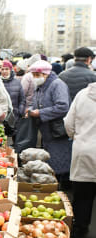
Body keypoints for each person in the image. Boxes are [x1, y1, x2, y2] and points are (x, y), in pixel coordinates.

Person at [26, 60, 72, 188]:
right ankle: (54, 185)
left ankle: (60, 187)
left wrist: (40, 113)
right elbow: (38, 102)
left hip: (56, 131)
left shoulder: (57, 85)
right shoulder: (41, 86)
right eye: (33, 75)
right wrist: (30, 109)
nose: (35, 78)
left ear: (46, 74)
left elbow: (63, 106)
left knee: (58, 160)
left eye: (37, 75)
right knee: (51, 159)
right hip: (47, 132)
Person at [64, 82, 96, 238]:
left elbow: (68, 123)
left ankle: (80, 227)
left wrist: (76, 138)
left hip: (84, 150)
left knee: (83, 193)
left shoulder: (83, 94)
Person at [1, 60, 26, 136]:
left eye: (7, 69)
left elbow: (22, 99)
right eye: (2, 69)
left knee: (16, 138)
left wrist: (20, 111)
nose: (4, 71)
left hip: (15, 116)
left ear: (10, 70)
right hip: (1, 116)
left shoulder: (17, 82)